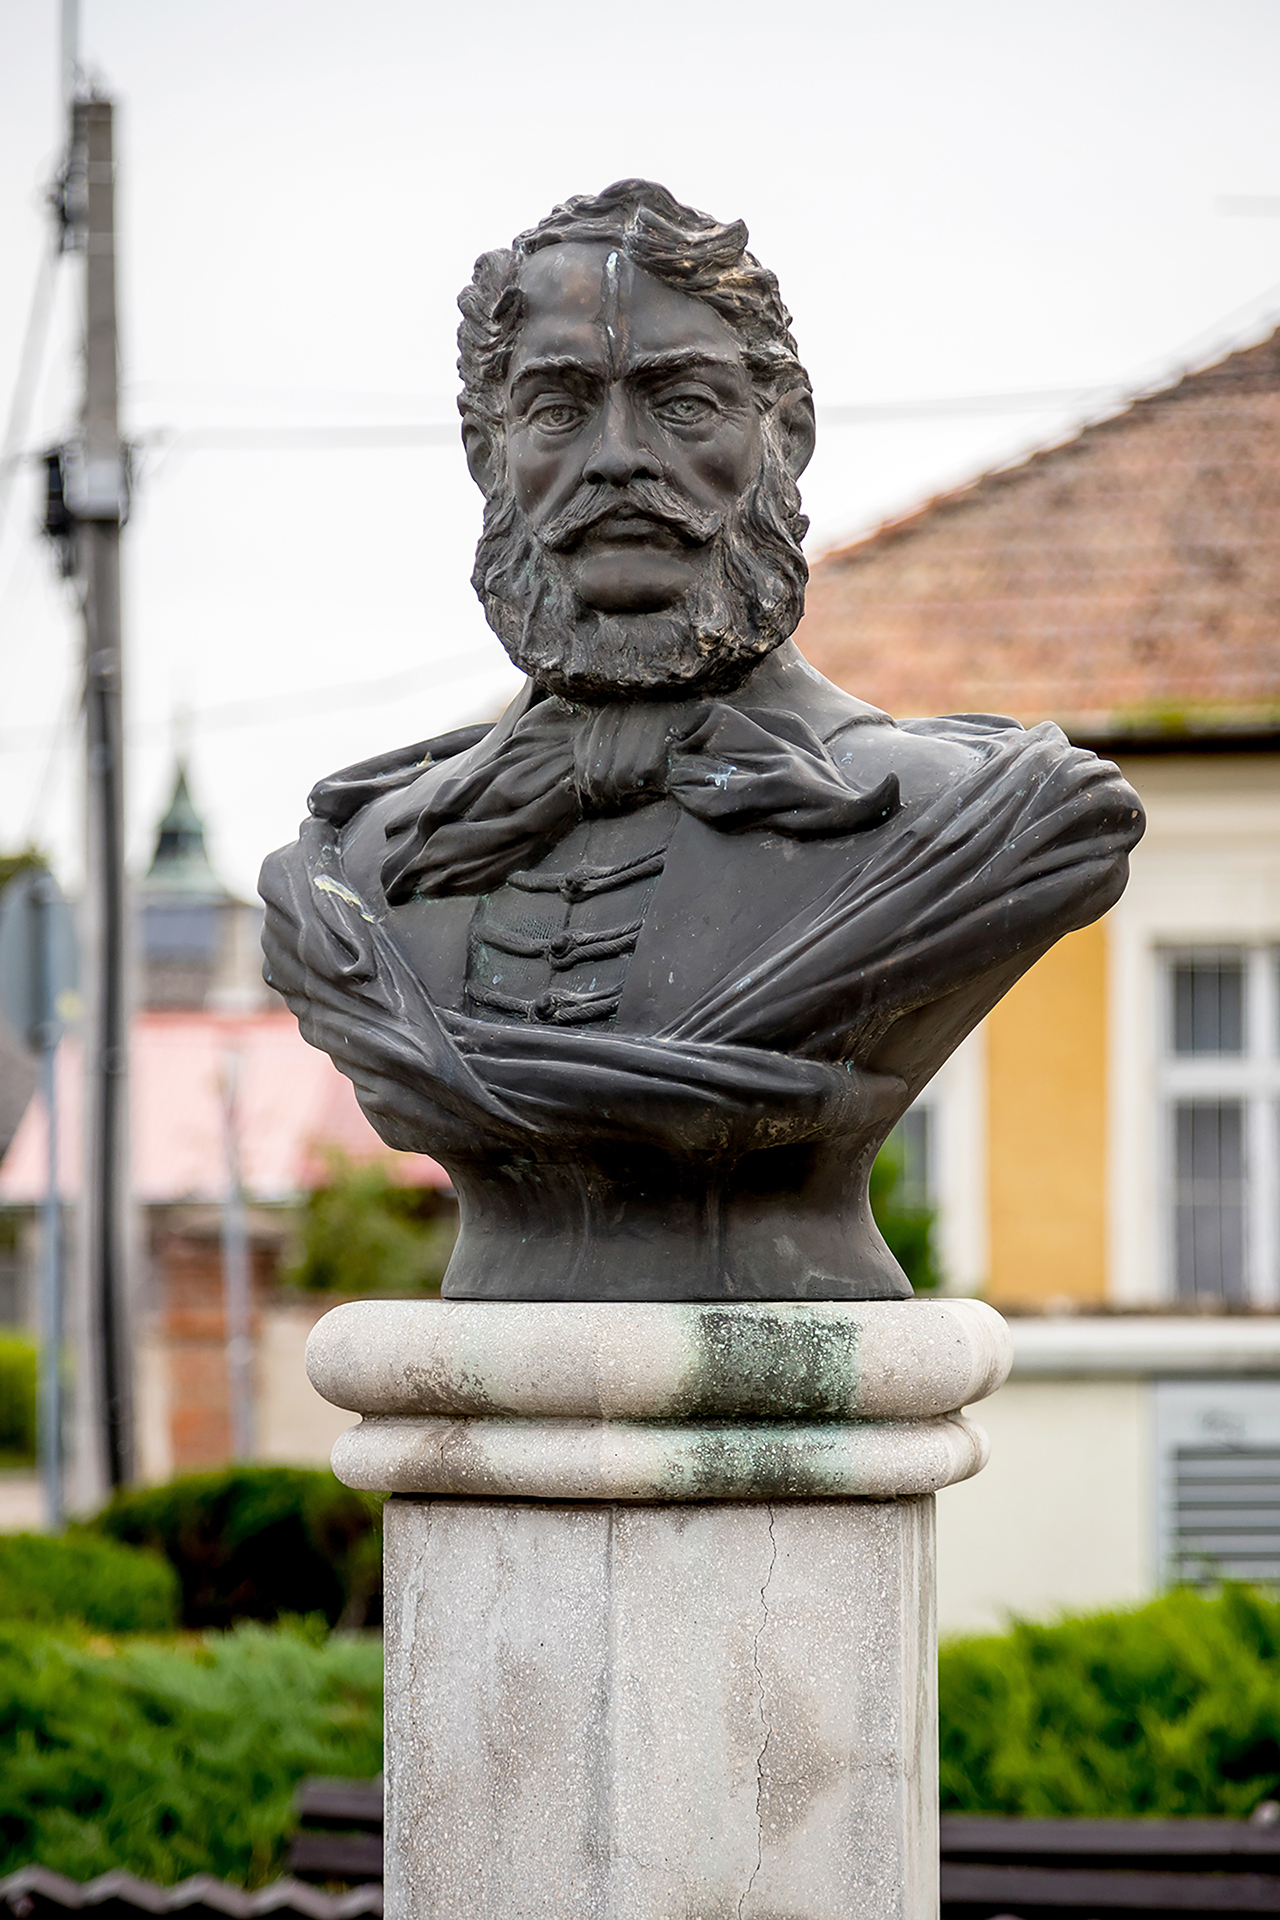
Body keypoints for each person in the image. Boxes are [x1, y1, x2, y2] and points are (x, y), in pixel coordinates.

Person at [261, 180, 1143, 1302]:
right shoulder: (356, 873)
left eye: (681, 404)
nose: (617, 457)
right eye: (558, 409)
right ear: (489, 454)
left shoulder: (983, 825)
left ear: (787, 436)